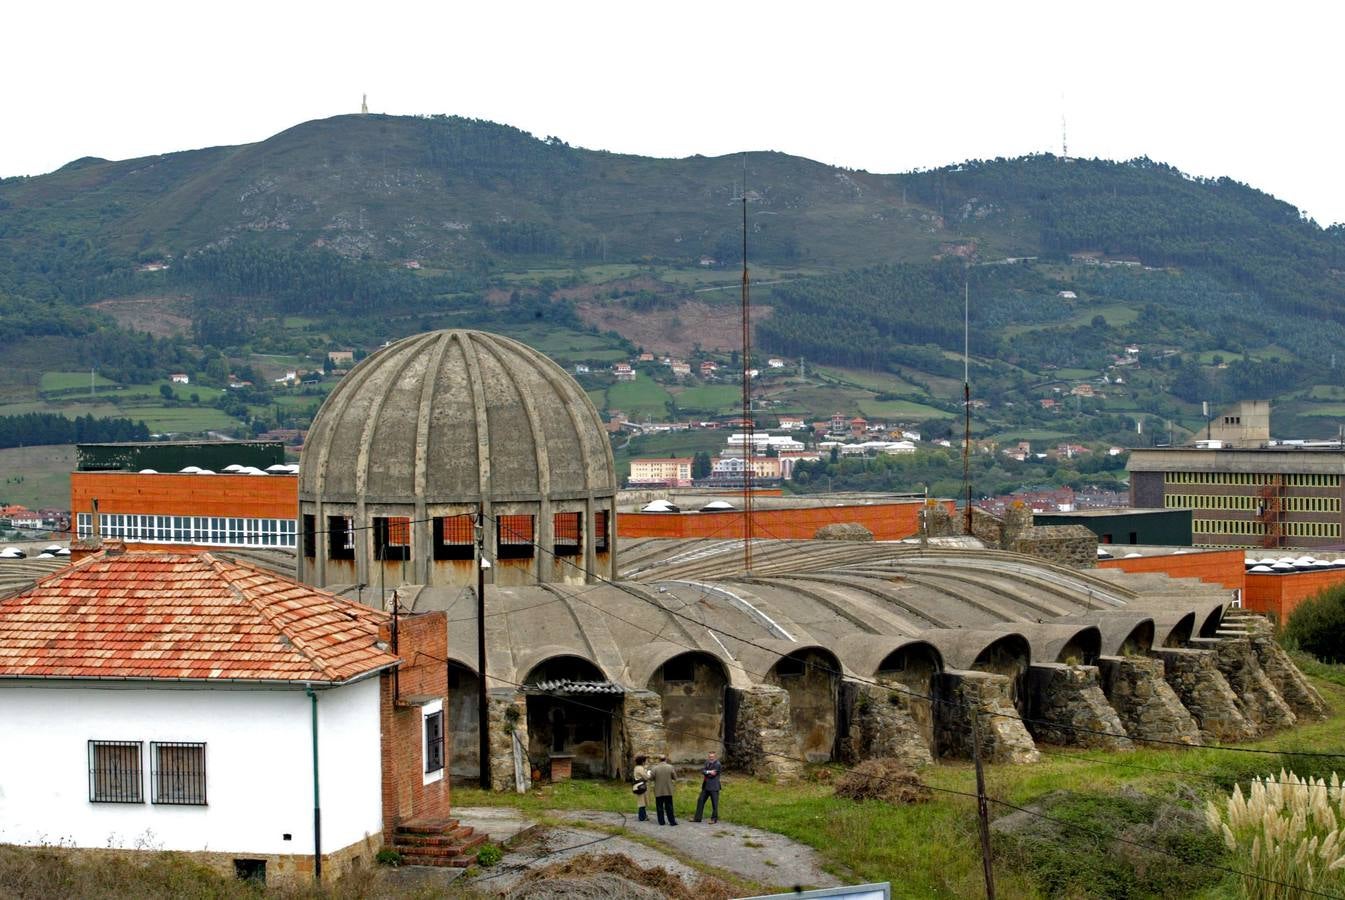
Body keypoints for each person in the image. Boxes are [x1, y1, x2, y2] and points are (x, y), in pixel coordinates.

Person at [692, 750, 722, 823]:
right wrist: (708, 771)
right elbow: (702, 771)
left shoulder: (717, 764)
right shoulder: (706, 762)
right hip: (705, 786)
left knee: (714, 804)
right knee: (700, 800)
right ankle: (697, 818)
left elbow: (712, 775)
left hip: (714, 787)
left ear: (715, 757)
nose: (711, 758)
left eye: (712, 757)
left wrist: (706, 772)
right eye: (710, 757)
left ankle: (714, 819)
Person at [650, 754, 678, 826]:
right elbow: (675, 777)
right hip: (668, 790)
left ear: (659, 760)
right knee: (669, 807)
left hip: (658, 790)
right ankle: (672, 821)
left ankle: (661, 822)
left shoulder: (655, 768)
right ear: (665, 759)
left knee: (659, 807)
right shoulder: (670, 767)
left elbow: (651, 778)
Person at [632, 754, 651, 821]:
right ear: (642, 761)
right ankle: (642, 817)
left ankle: (644, 816)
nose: (646, 762)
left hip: (639, 786)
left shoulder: (636, 767)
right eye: (645, 761)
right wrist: (648, 773)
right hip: (641, 786)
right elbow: (646, 777)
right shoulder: (640, 768)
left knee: (642, 801)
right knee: (642, 802)